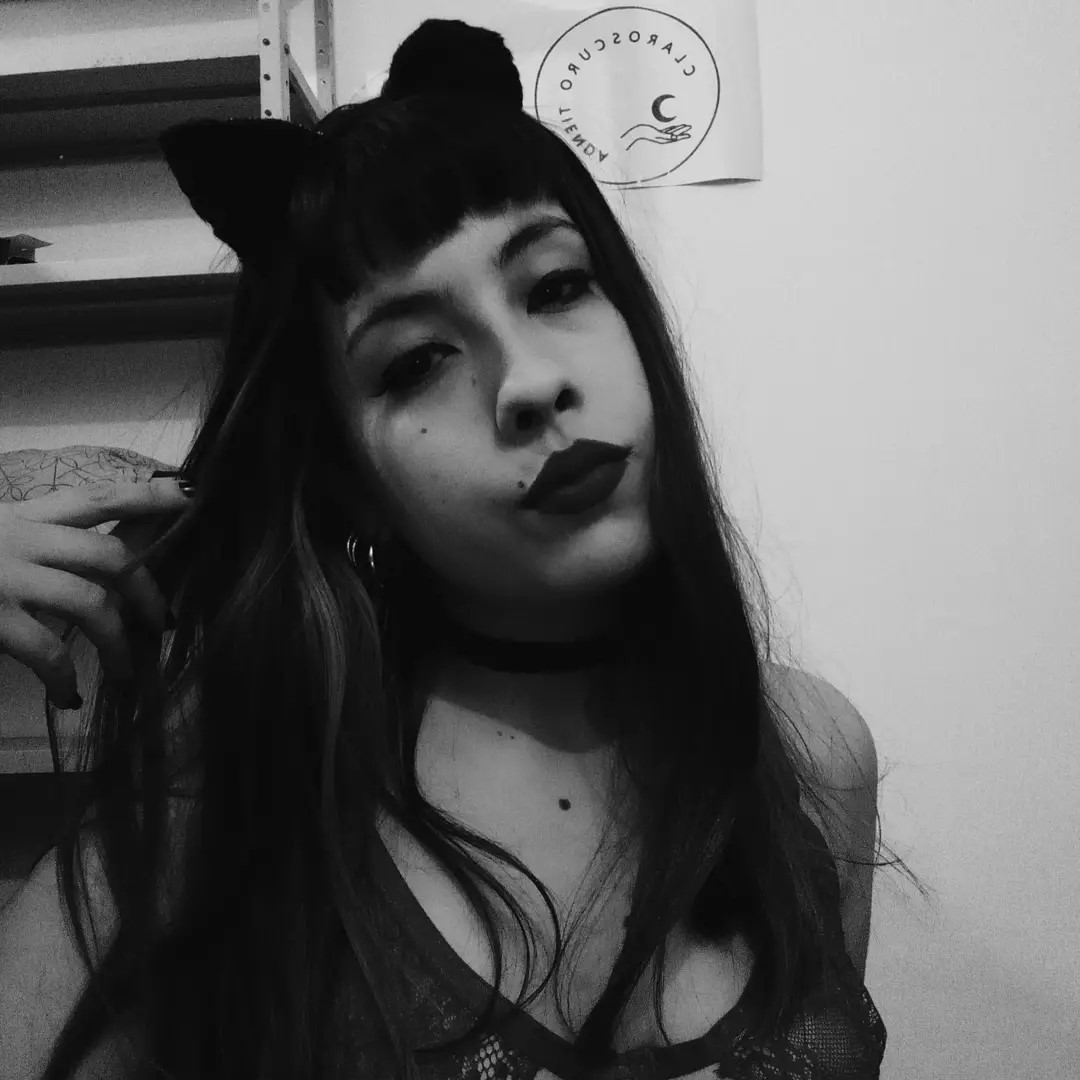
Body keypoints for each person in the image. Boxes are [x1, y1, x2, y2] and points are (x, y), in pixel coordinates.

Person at [0, 18, 925, 1080]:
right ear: (351, 474)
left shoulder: (813, 758)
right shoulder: (224, 823)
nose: (529, 380)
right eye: (414, 361)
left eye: (557, 286)